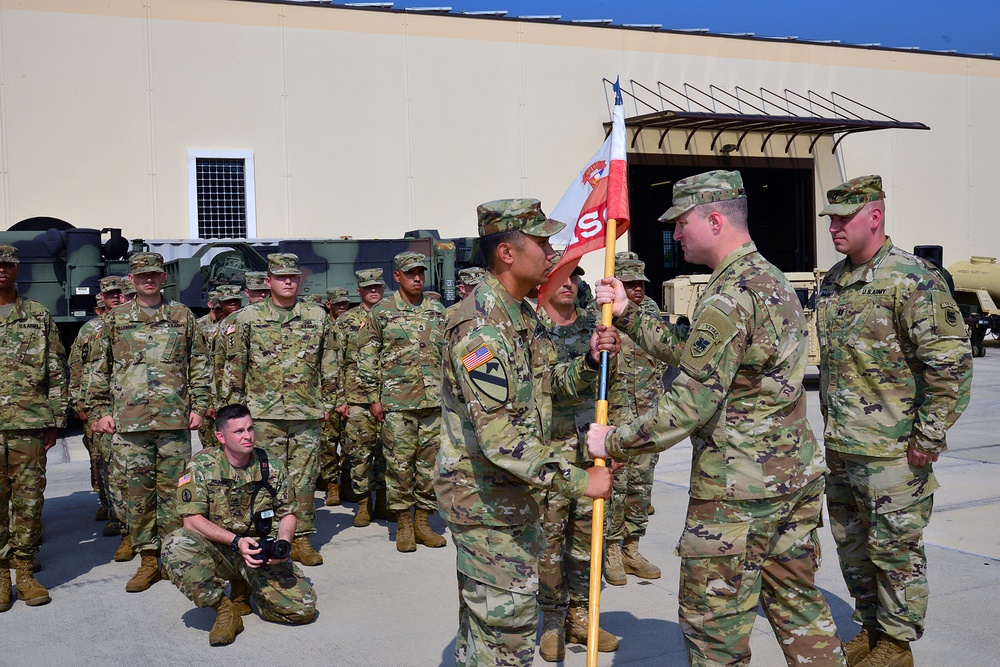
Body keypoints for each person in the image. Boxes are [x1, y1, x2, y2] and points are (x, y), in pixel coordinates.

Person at [587, 170, 846, 666]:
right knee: (800, 614)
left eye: (681, 223)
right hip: (790, 482)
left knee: (714, 632)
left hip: (736, 496)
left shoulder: (728, 297)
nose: (676, 234)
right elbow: (701, 356)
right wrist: (628, 313)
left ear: (712, 219)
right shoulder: (769, 281)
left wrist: (611, 441)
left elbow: (688, 404)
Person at [433, 198, 616, 667]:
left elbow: (542, 383)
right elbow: (502, 439)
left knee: (487, 631)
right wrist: (582, 481)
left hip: (509, 498)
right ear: (507, 253)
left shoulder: (519, 316)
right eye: (541, 241)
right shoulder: (481, 330)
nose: (551, 252)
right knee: (506, 640)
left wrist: (589, 363)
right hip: (487, 503)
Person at [817, 175, 973, 667]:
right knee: (853, 546)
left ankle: (898, 644)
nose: (835, 228)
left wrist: (928, 436)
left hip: (894, 451)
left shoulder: (913, 279)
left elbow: (950, 364)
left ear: (875, 217)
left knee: (896, 550)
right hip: (843, 445)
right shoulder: (834, 280)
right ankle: (871, 627)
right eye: (832, 219)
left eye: (844, 219)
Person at [89, 252, 210, 593]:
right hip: (131, 422)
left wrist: (200, 405)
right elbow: (99, 369)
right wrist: (100, 412)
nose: (148, 280)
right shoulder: (115, 319)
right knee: (137, 494)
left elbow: (199, 362)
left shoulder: (182, 316)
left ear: (162, 277)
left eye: (154, 274)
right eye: (142, 275)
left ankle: (174, 556)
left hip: (174, 420)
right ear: (132, 278)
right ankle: (147, 559)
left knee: (177, 491)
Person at [162, 404, 317, 646]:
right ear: (221, 437)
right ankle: (225, 610)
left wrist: (283, 543)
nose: (247, 436)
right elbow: (191, 520)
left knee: (303, 610)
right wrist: (236, 542)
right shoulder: (201, 466)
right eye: (238, 432)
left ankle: (250, 584)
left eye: (250, 428)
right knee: (176, 544)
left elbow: (289, 513)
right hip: (221, 550)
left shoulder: (271, 466)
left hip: (258, 551)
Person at [219, 253, 337, 566]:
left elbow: (329, 362)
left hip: (305, 412)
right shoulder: (248, 317)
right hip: (262, 413)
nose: (288, 282)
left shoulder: (317, 315)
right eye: (281, 277)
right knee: (264, 478)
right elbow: (235, 366)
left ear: (299, 280)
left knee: (304, 478)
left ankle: (301, 538)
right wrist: (232, 411)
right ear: (268, 281)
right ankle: (266, 536)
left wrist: (329, 401)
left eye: (293, 277)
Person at [536, 259, 618, 660]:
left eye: (575, 277)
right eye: (560, 276)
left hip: (589, 453)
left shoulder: (594, 325)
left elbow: (612, 390)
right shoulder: (529, 330)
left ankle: (582, 615)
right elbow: (548, 384)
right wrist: (587, 362)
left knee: (588, 540)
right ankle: (552, 620)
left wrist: (613, 444)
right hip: (548, 458)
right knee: (550, 542)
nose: (569, 284)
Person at [357, 252, 447, 552]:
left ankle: (423, 520)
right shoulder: (381, 311)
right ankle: (403, 523)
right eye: (411, 273)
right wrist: (373, 397)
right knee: (398, 466)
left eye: (420, 272)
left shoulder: (436, 309)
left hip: (434, 401)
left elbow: (449, 352)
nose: (417, 278)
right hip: (397, 403)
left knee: (430, 467)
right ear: (398, 277)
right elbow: (368, 355)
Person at [0, 244, 66, 611]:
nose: (1, 271)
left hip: (28, 423)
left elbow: (55, 369)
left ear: (17, 270)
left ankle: (23, 572)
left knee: (28, 501)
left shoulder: (38, 315)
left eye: (7, 265)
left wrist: (56, 418)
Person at [603, 254, 668, 586]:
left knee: (641, 486)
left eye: (641, 283)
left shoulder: (652, 312)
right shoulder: (602, 315)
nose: (638, 289)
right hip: (616, 417)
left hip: (648, 415)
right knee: (616, 487)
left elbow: (666, 355)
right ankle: (611, 549)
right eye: (630, 284)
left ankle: (632, 547)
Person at [333, 268, 389, 527]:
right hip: (356, 398)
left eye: (377, 286)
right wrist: (339, 398)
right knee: (359, 454)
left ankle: (386, 501)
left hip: (391, 397)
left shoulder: (393, 314)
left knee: (390, 454)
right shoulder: (346, 321)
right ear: (360, 291)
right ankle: (364, 502)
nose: (373, 291)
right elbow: (335, 360)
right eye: (368, 288)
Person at [69, 276, 125, 531]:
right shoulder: (90, 330)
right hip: (98, 405)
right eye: (111, 294)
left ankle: (125, 516)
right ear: (102, 298)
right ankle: (110, 509)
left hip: (127, 404)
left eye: (120, 293)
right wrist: (78, 403)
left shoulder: (131, 324)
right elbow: (77, 366)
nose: (116, 297)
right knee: (101, 460)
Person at [317, 286, 350, 506]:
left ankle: (347, 483)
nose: (342, 307)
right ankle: (331, 484)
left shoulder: (353, 324)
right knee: (327, 444)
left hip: (350, 394)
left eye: (345, 303)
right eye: (337, 304)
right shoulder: (319, 327)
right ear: (328, 304)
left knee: (350, 444)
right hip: (325, 395)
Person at [198, 285, 243, 449]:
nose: (233, 305)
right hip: (212, 393)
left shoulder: (246, 323)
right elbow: (202, 366)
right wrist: (207, 402)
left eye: (236, 302)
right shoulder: (202, 327)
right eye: (228, 302)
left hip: (239, 396)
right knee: (211, 446)